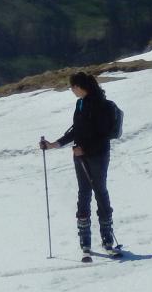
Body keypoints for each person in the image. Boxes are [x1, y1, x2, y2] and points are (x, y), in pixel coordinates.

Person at [40, 71, 119, 257]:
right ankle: (86, 240)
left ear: (79, 86)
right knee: (84, 193)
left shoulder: (100, 104)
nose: (71, 90)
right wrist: (55, 144)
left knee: (99, 191)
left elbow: (103, 135)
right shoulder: (81, 103)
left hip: (97, 155)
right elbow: (76, 130)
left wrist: (85, 149)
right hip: (81, 155)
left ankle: (106, 239)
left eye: (72, 87)